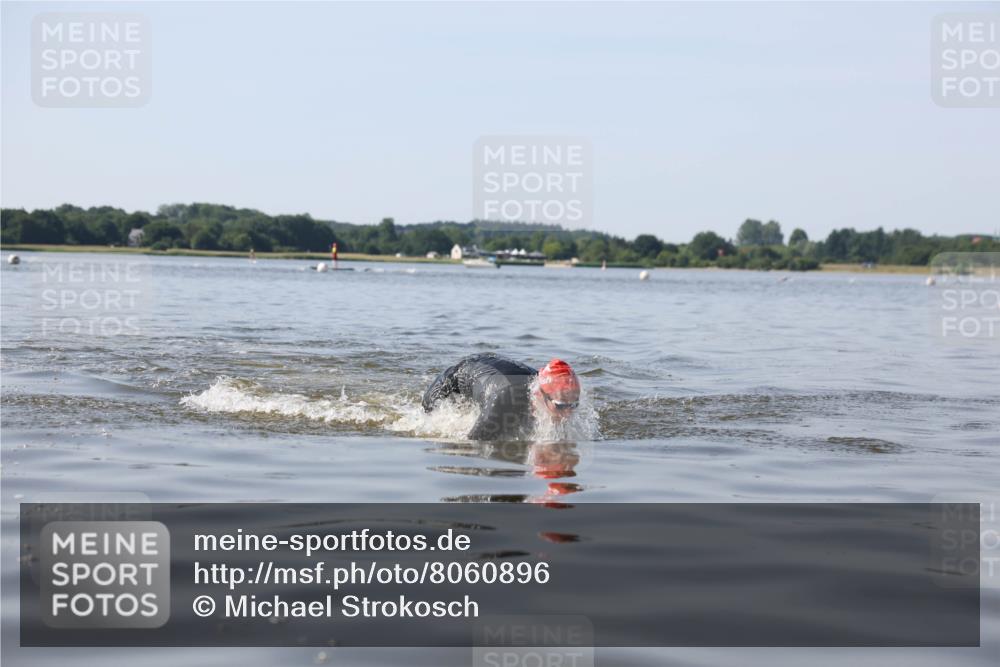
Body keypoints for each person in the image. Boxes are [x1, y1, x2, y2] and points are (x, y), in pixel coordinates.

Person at [422, 353, 581, 441]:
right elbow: (472, 445)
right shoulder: (505, 401)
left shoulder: (553, 396)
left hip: (500, 371)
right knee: (428, 410)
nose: (568, 413)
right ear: (539, 395)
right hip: (459, 375)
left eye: (573, 405)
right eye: (560, 406)